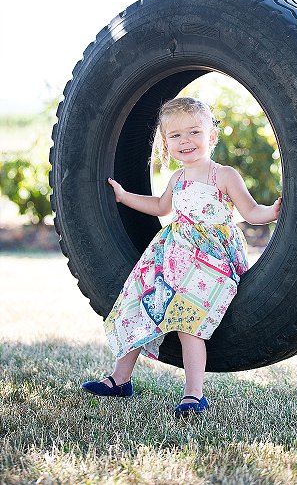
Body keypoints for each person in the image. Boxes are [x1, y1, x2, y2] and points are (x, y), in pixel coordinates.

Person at [80, 97, 281, 416]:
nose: (185, 141)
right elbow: (162, 207)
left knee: (190, 321)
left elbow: (251, 211)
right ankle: (120, 379)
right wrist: (123, 196)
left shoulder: (224, 175)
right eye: (175, 136)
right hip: (172, 255)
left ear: (211, 136)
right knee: (142, 303)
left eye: (193, 132)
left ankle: (193, 394)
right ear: (165, 143)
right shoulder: (177, 179)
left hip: (210, 259)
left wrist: (273, 211)